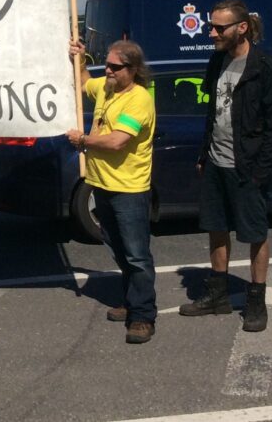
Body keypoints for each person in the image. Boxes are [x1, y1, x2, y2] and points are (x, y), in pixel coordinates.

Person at [179, 0, 272, 332]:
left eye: (218, 27)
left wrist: (259, 173)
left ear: (241, 28)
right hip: (215, 162)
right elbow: (213, 114)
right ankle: (218, 295)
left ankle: (256, 301)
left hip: (247, 168)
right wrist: (203, 154)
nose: (211, 33)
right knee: (216, 227)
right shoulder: (216, 61)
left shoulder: (265, 67)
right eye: (211, 26)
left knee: (255, 234)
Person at [66, 40, 157, 344]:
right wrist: (79, 58)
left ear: (132, 70)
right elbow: (84, 84)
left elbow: (118, 140)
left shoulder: (139, 99)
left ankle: (143, 315)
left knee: (136, 255)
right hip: (102, 184)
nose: (108, 71)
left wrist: (83, 140)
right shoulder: (107, 88)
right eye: (107, 64)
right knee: (117, 248)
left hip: (128, 188)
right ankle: (131, 301)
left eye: (115, 67)